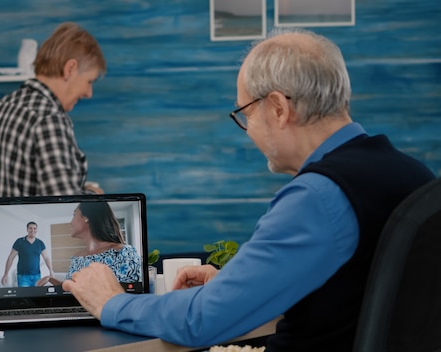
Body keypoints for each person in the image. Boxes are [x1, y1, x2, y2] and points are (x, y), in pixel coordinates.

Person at [61, 28, 436, 351]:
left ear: (278, 108)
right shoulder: (413, 174)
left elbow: (202, 321)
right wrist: (236, 284)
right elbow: (356, 287)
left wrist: (111, 303)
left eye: (246, 114)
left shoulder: (318, 197)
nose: (248, 131)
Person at [0, 22, 106, 299]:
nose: (88, 93)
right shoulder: (48, 118)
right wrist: (93, 195)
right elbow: (65, 203)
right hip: (26, 299)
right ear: (70, 68)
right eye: (89, 82)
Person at [36, 202, 142, 286]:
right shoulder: (77, 259)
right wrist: (53, 280)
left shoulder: (124, 253)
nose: (71, 222)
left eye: (74, 214)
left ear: (86, 218)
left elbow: (131, 298)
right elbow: (74, 291)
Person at [1, 221, 54, 287]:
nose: (32, 230)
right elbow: (10, 258)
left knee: (37, 296)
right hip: (23, 277)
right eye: (30, 228)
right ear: (27, 229)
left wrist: (51, 271)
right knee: (25, 297)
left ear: (37, 230)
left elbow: (46, 258)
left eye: (34, 228)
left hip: (37, 276)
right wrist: (5, 274)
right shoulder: (19, 242)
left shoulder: (40, 243)